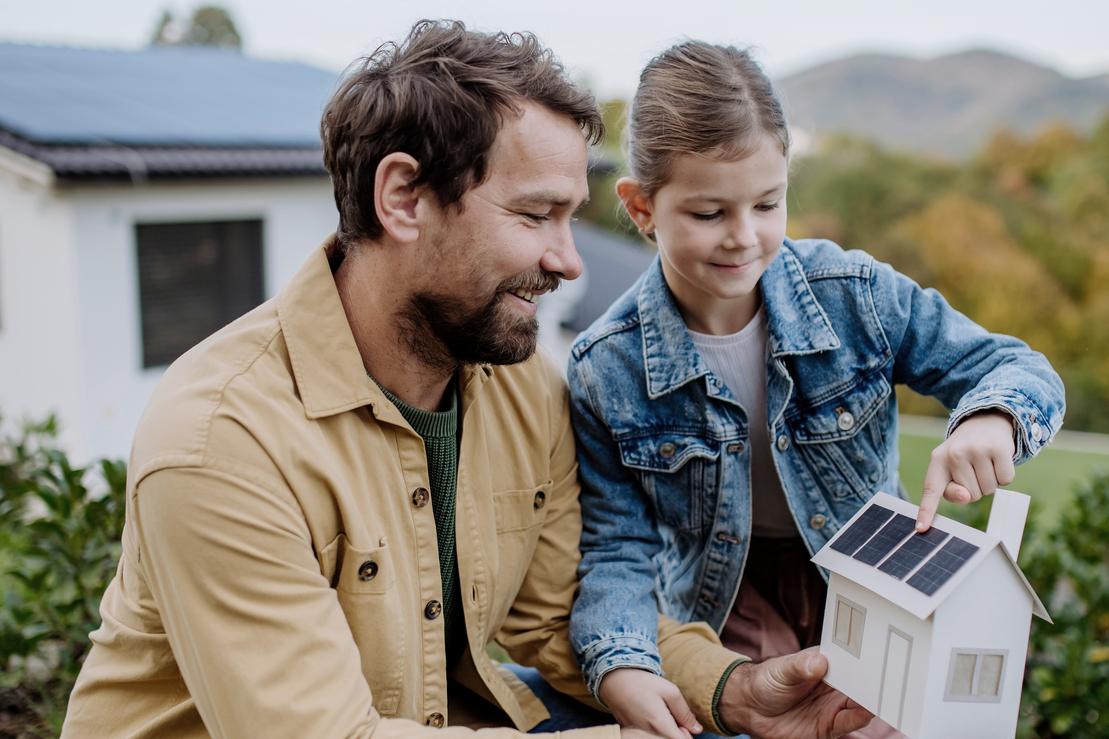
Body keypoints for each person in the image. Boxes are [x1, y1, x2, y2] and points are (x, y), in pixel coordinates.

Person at [60, 22, 872, 739]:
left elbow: (561, 615)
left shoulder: (519, 388)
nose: (569, 260)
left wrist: (733, 690)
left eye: (571, 217)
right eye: (533, 216)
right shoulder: (221, 441)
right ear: (404, 197)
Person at [566, 40, 1065, 739]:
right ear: (641, 206)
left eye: (767, 204)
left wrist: (992, 417)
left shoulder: (854, 296)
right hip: (721, 608)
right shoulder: (604, 366)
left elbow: (1014, 366)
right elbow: (615, 546)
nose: (743, 237)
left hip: (870, 577)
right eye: (709, 214)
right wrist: (623, 662)